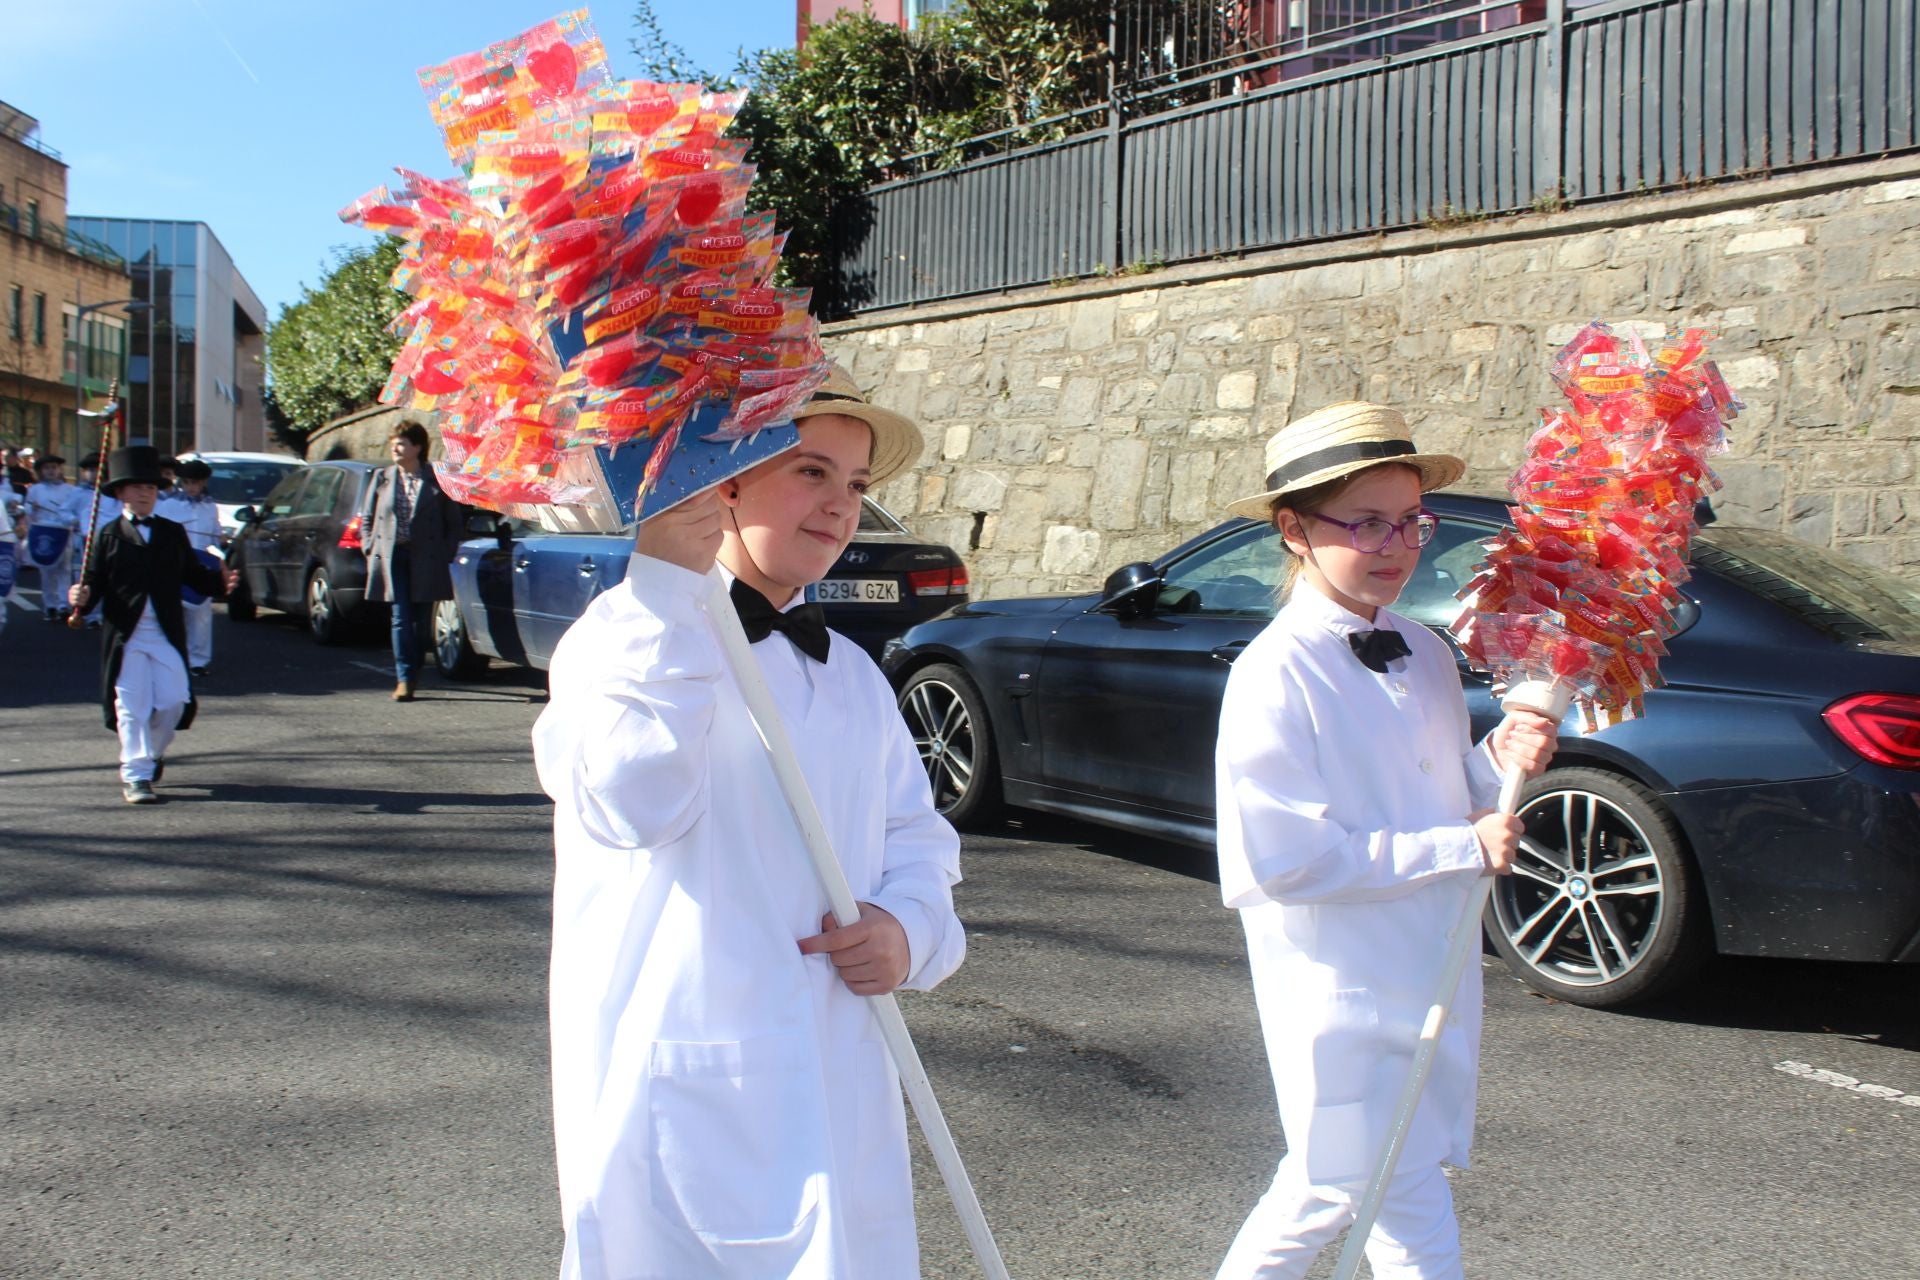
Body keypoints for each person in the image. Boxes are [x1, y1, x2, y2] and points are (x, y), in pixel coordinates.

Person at [531, 366, 965, 1279]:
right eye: (810, 470)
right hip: (690, 1084)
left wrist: (909, 929)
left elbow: (918, 840)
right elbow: (628, 803)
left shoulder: (850, 670)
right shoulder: (619, 639)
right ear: (718, 479)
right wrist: (663, 595)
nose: (841, 506)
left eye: (856, 485)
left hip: (842, 1077)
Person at [1211, 402, 1559, 1280]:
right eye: (1365, 523)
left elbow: (1432, 793)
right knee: (1344, 1189)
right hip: (1338, 991)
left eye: (1410, 522)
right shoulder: (1273, 674)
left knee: (1361, 1190)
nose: (1396, 546)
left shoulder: (1426, 650)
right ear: (1294, 530)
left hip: (1426, 969)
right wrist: (1459, 847)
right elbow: (1285, 860)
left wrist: (1495, 760)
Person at [69, 446, 232, 804]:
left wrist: (221, 583)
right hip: (126, 637)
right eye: (137, 487)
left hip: (166, 635)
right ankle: (136, 774)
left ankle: (154, 753)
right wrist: (81, 597)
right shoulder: (108, 534)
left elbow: (192, 575)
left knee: (175, 700)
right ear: (120, 493)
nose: (146, 493)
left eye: (152, 488)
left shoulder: (172, 533)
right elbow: (93, 583)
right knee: (132, 706)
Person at [358, 421, 467, 701]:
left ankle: (414, 667)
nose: (395, 447)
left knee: (420, 620)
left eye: (402, 442)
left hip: (426, 558)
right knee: (400, 617)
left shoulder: (435, 480)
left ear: (417, 447)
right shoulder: (383, 477)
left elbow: (453, 523)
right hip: (393, 555)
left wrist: (446, 551)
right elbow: (367, 516)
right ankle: (404, 677)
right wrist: (370, 544)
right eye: (394, 442)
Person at [157, 458, 222, 673]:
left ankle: (198, 661)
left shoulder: (210, 506)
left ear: (203, 483)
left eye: (195, 483)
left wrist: (217, 552)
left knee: (201, 616)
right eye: (186, 482)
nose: (191, 487)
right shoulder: (168, 505)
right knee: (175, 613)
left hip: (202, 564)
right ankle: (175, 657)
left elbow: (213, 536)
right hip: (176, 563)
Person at [24, 453, 85, 622]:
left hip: (63, 532)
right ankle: (49, 605)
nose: (51, 471)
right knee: (46, 571)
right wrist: (32, 508)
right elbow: (28, 510)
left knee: (64, 570)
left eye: (54, 467)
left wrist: (73, 521)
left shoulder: (70, 490)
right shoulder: (35, 490)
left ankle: (63, 605)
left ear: (60, 469)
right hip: (43, 532)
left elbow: (75, 510)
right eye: (47, 468)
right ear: (42, 471)